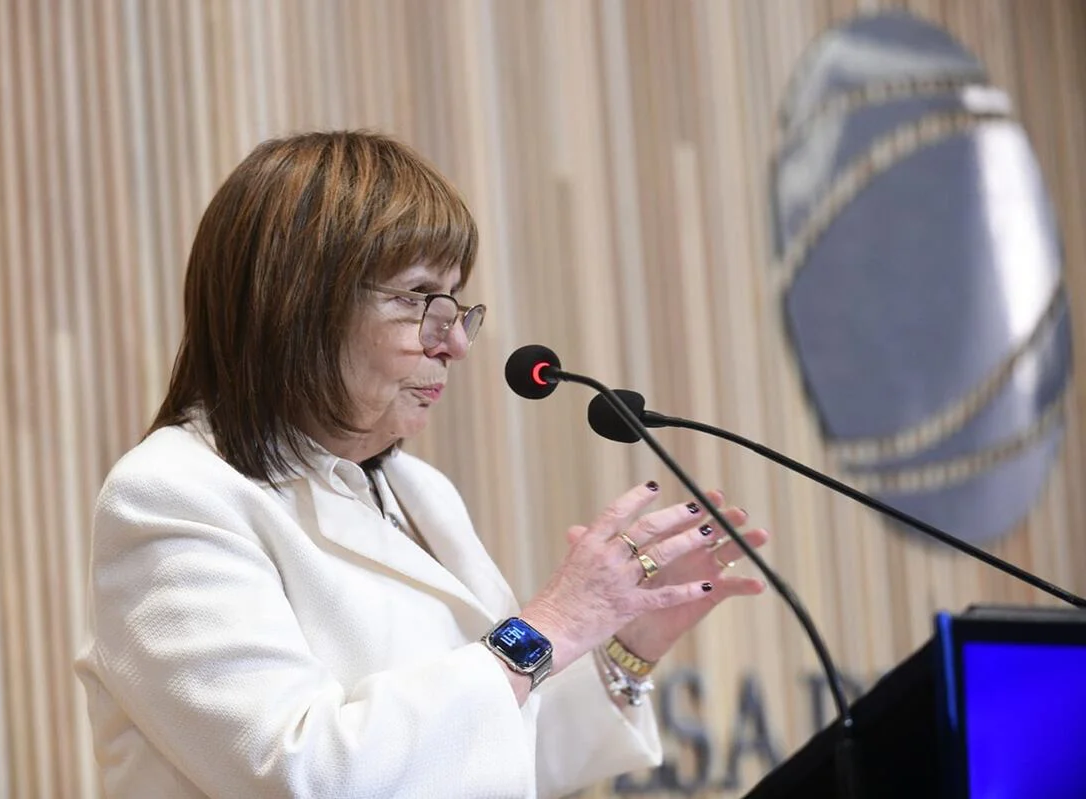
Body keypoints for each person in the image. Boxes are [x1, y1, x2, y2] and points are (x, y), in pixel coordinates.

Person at [75, 130, 769, 798]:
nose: (455, 344)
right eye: (416, 299)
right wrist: (550, 625)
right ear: (295, 304)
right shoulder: (173, 495)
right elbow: (305, 773)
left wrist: (624, 643)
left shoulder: (416, 490)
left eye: (457, 303)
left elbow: (493, 750)